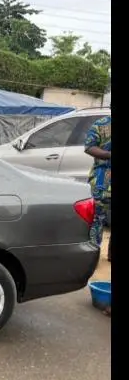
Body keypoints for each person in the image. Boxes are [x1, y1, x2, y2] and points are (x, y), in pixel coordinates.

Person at [84, 114, 111, 316]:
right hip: (101, 183)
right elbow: (89, 147)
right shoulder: (101, 125)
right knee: (96, 223)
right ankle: (91, 260)